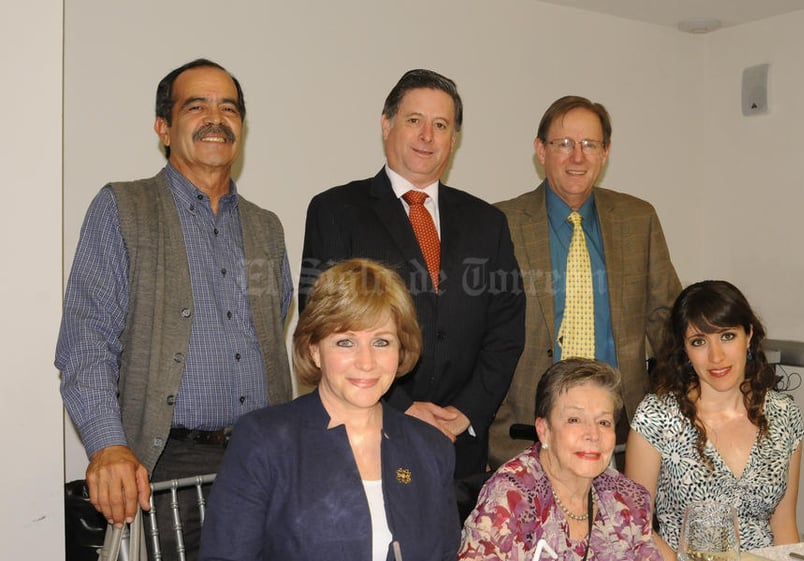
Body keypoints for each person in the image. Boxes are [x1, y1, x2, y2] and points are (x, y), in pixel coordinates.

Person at [55, 58, 293, 559]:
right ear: (164, 128)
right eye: (196, 106)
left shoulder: (266, 228)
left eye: (228, 107)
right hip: (165, 469)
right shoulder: (123, 208)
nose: (215, 116)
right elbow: (86, 341)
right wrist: (107, 446)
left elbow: (277, 325)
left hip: (264, 464)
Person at [300, 69, 525, 480]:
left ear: (453, 140)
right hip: (367, 439)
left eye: (440, 125)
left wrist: (465, 412)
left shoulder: (487, 222)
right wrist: (402, 408)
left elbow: (506, 330)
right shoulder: (336, 211)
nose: (427, 136)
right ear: (387, 124)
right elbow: (324, 325)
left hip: (462, 450)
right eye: (414, 120)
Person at [200, 258, 460, 561]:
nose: (366, 362)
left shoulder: (431, 448)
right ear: (314, 350)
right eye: (346, 342)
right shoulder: (263, 442)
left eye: (381, 342)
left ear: (401, 350)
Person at [488, 95, 681, 468]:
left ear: (605, 152)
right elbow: (482, 333)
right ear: (540, 151)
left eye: (589, 145)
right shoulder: (501, 224)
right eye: (563, 144)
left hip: (622, 437)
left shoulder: (638, 220)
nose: (577, 157)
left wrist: (691, 404)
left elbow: (666, 320)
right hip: (527, 436)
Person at [625, 280, 804, 559]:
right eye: (699, 342)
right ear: (685, 350)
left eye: (727, 336)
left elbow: (783, 524)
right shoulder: (657, 417)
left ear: (749, 335)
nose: (716, 356)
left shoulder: (784, 414)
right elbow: (636, 524)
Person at [459, 358, 663, 561]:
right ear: (544, 430)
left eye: (603, 422)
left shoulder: (627, 500)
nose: (593, 434)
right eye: (574, 420)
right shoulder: (511, 498)